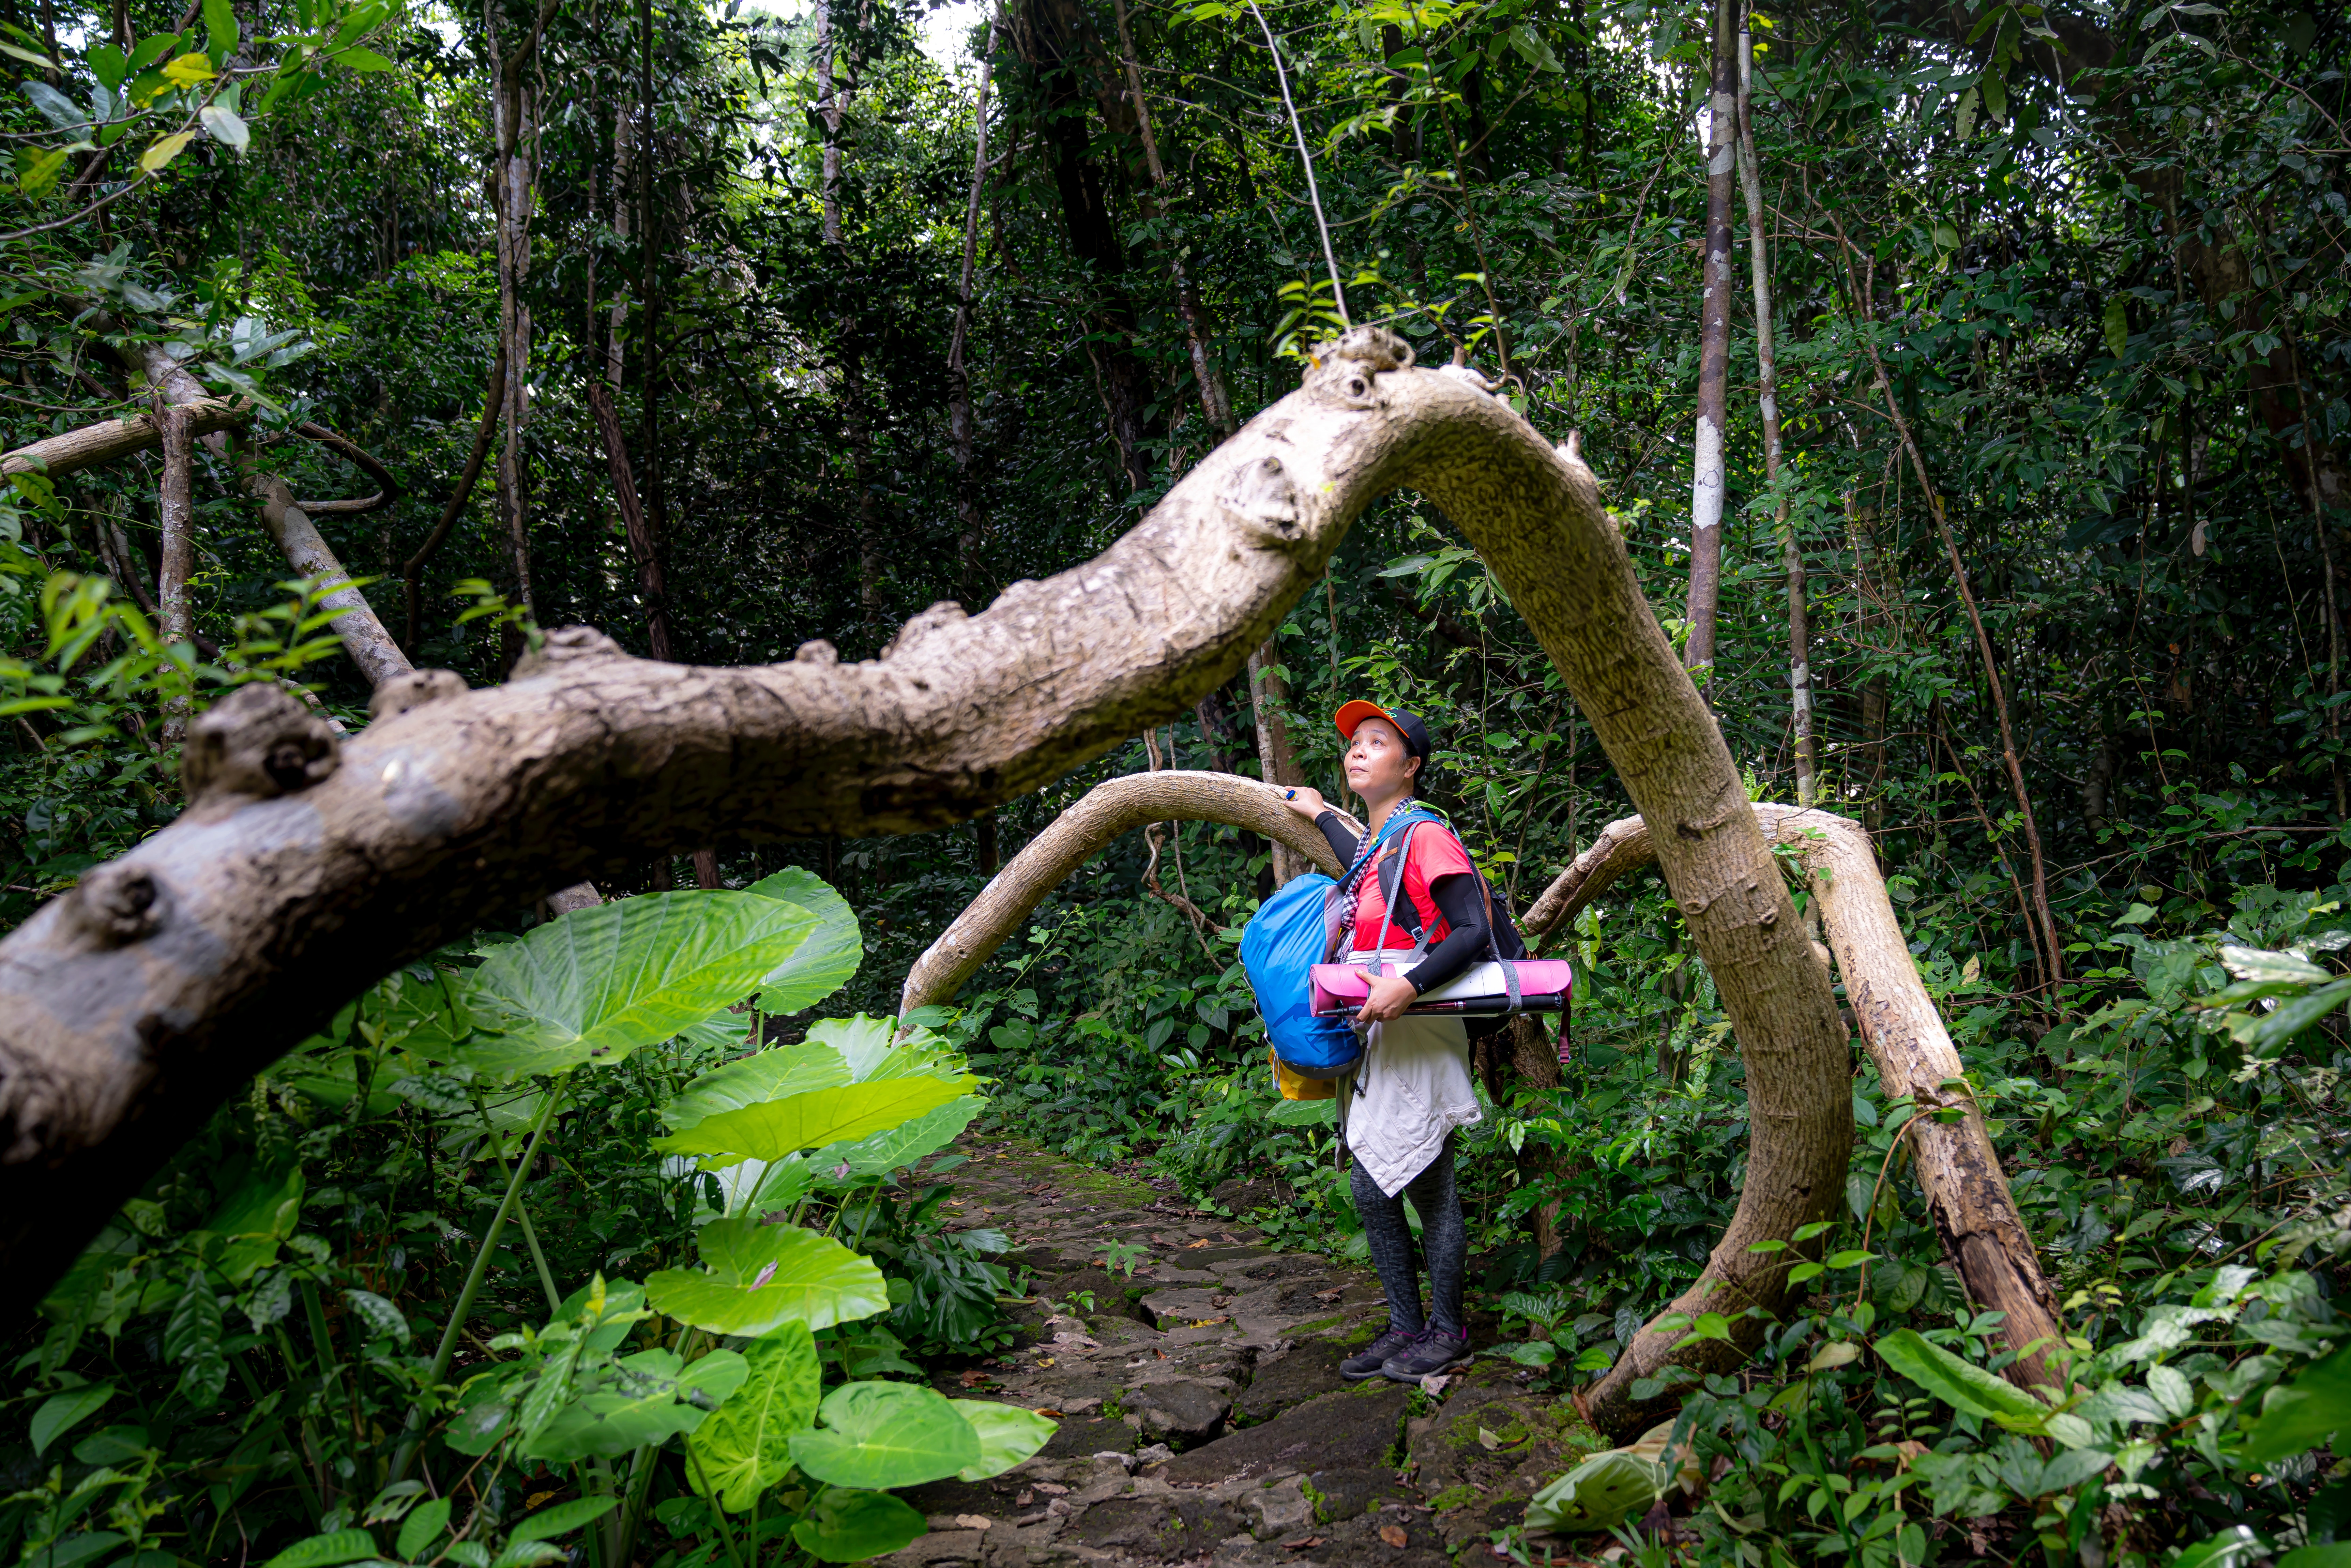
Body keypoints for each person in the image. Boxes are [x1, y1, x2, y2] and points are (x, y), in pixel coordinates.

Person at [1280, 700, 1489, 1383]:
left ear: (1412, 766)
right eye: (1354, 744)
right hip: (1383, 1028)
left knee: (1420, 1185)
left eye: (1378, 743)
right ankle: (1408, 1327)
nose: (1359, 751)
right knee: (1377, 1189)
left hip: (1418, 1020)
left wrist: (1407, 987)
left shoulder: (1425, 835)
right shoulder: (1381, 845)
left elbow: (1470, 930)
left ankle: (1445, 1329)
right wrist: (1315, 812)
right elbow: (1359, 864)